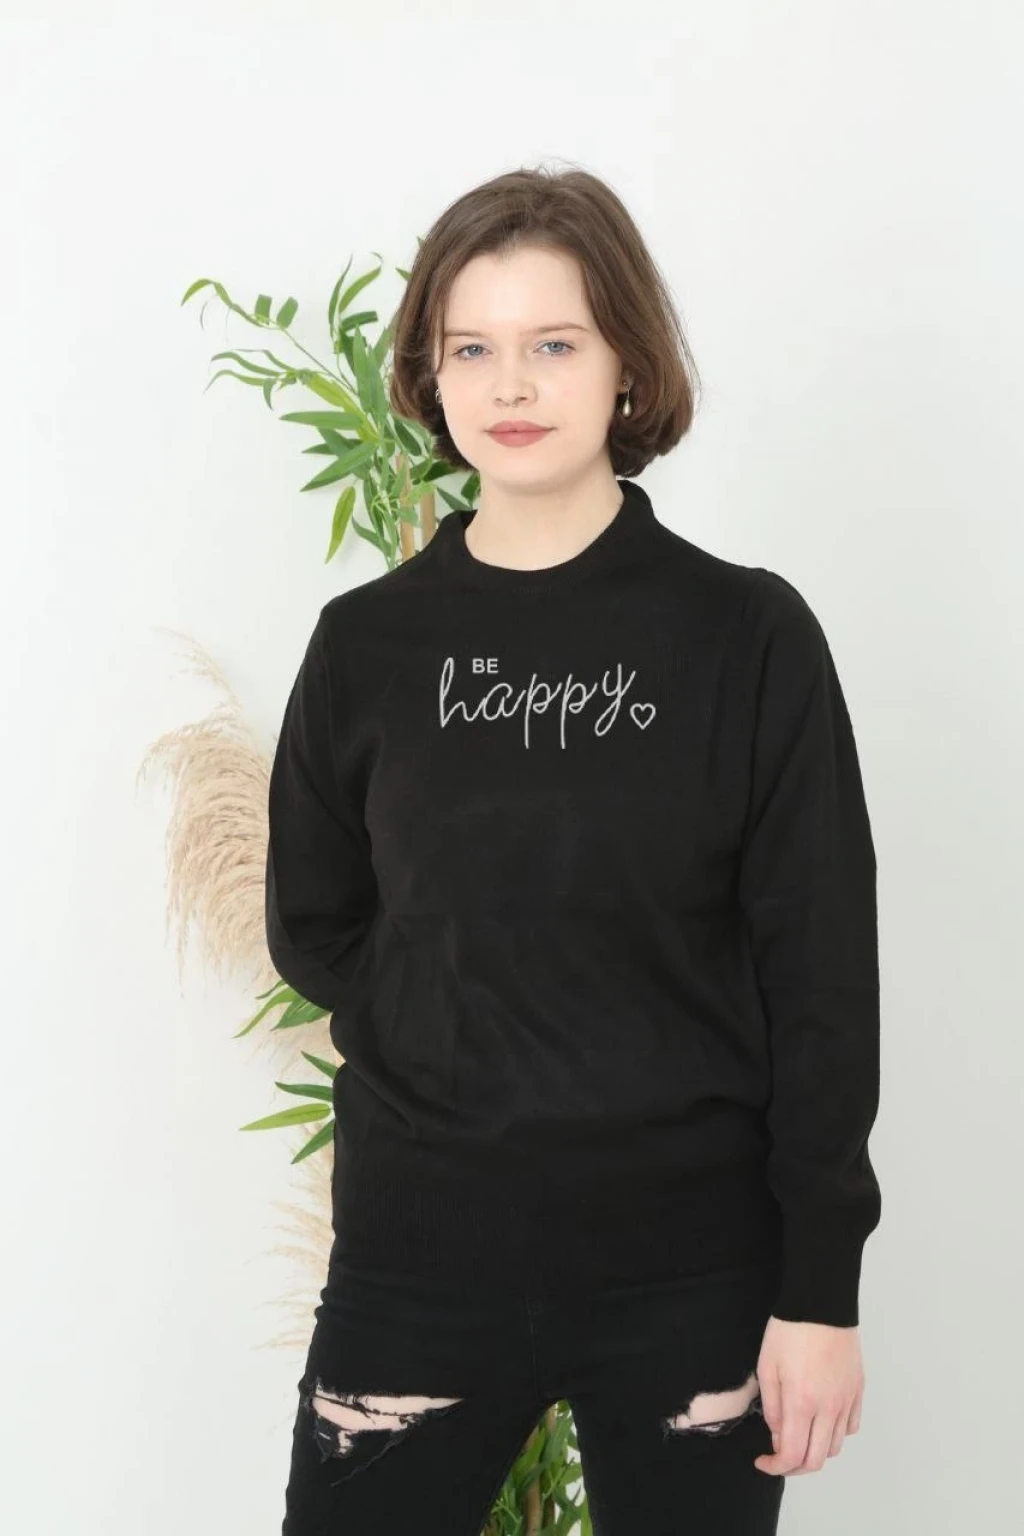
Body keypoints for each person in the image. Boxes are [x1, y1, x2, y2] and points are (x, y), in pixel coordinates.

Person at [265, 164, 882, 1535]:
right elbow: (315, 922)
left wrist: (820, 1291)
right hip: (419, 1259)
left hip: (693, 1274)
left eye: (554, 343)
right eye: (470, 349)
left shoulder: (746, 637)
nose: (511, 384)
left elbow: (823, 977)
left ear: (627, 367)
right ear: (430, 377)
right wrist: (454, 1030)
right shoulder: (366, 647)